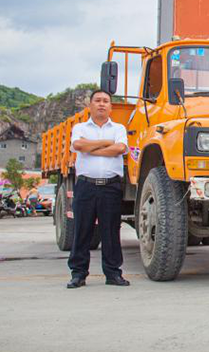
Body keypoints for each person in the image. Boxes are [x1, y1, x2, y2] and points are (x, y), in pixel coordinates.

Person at [66, 89, 129, 288]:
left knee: (110, 231)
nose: (102, 104)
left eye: (106, 101)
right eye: (97, 100)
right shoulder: (80, 127)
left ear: (111, 107)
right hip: (86, 185)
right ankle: (78, 274)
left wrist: (91, 147)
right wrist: (104, 143)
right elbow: (78, 146)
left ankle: (113, 274)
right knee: (82, 230)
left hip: (110, 187)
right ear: (90, 105)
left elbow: (120, 149)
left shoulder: (119, 128)